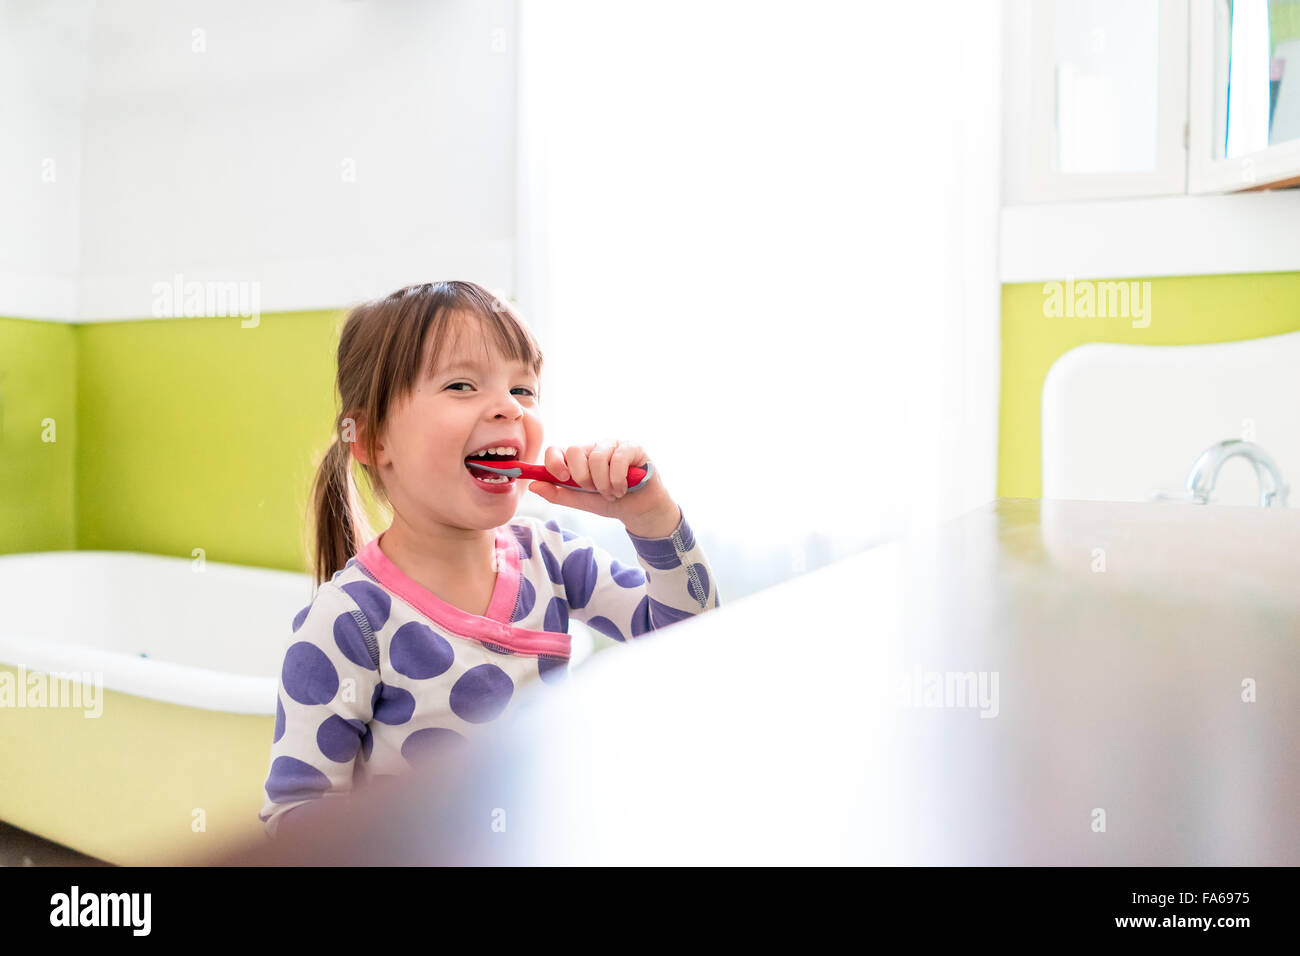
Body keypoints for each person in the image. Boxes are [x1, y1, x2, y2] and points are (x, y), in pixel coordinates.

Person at [258, 280, 719, 838]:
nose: (508, 407)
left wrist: (651, 518)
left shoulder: (550, 559)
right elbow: (295, 821)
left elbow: (693, 641)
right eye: (461, 384)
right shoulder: (348, 623)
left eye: (524, 388)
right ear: (373, 438)